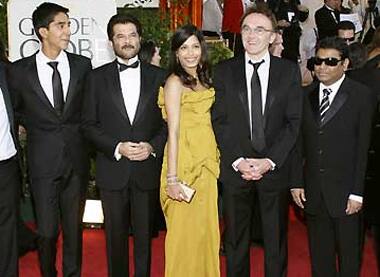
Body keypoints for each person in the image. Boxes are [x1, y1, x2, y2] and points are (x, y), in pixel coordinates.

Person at [212, 6, 303, 277]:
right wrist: (239, 160)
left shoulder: (287, 72)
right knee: (235, 242)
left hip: (273, 169)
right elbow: (219, 120)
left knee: (275, 241)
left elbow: (293, 122)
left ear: (273, 36)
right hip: (235, 169)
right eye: (247, 29)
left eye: (260, 29)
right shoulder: (223, 71)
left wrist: (269, 161)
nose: (252, 35)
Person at [7, 3, 92, 276]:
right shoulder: (19, 72)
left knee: (73, 229)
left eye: (68, 24)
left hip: (77, 162)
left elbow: (89, 110)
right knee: (45, 230)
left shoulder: (82, 66)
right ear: (43, 31)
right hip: (42, 164)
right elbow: (14, 112)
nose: (67, 30)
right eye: (61, 25)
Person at [81, 14, 166, 277]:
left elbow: (169, 125)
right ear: (111, 42)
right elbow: (87, 125)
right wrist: (117, 147)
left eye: (131, 35)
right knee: (114, 240)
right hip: (112, 171)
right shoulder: (95, 78)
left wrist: (152, 147)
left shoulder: (160, 76)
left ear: (140, 38)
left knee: (144, 239)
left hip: (146, 170)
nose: (127, 41)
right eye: (120, 36)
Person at [291, 36, 376, 277]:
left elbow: (363, 147)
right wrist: (297, 181)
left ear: (345, 64)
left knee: (349, 259)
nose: (322, 67)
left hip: (347, 192)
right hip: (314, 192)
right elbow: (299, 143)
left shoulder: (361, 95)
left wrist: (357, 192)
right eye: (318, 61)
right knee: (320, 258)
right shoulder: (304, 95)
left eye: (330, 61)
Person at [158, 24, 220, 277]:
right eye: (184, 48)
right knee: (183, 237)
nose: (190, 53)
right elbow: (172, 131)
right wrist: (172, 178)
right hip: (183, 163)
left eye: (195, 46)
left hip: (207, 162)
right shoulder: (174, 82)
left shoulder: (205, 79)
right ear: (175, 53)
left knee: (205, 233)